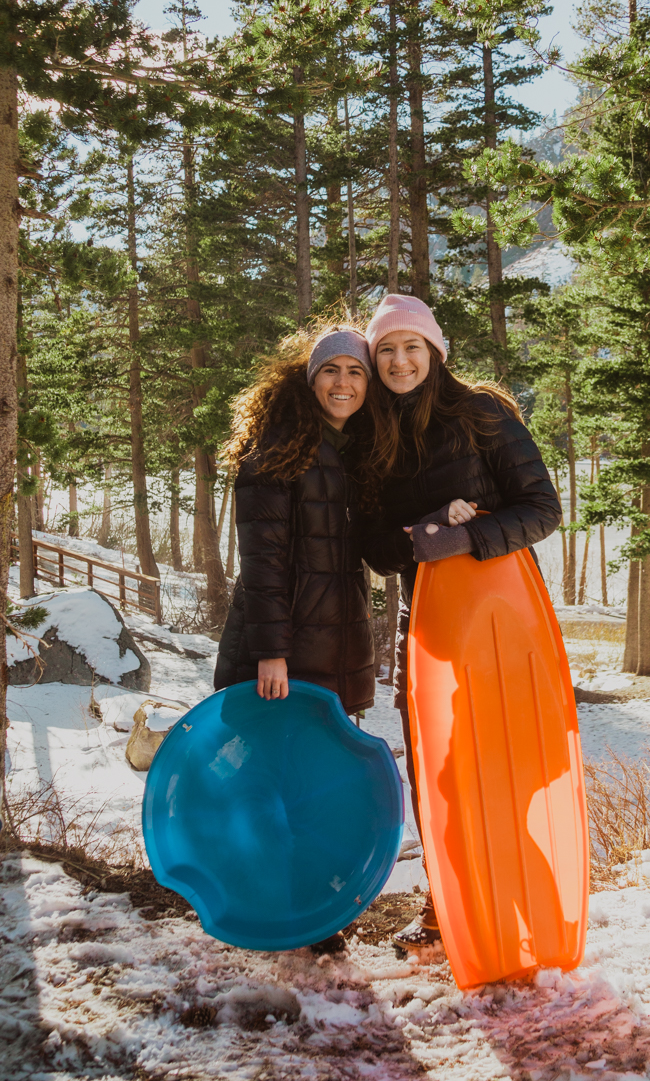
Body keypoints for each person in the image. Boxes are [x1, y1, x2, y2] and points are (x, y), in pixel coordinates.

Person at [362, 294, 562, 947]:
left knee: (498, 769)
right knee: (434, 775)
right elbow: (376, 549)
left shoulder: (481, 412)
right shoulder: (374, 437)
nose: (399, 360)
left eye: (411, 347)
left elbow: (541, 508)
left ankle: (535, 917)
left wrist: (471, 536)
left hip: (500, 620)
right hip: (428, 629)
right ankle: (451, 910)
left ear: (434, 352)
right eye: (386, 349)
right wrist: (417, 537)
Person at [214, 326, 375, 718]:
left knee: (315, 773)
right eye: (330, 370)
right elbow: (262, 563)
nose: (343, 382)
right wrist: (271, 655)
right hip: (279, 660)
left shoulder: (355, 453)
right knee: (268, 772)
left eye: (356, 372)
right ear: (311, 379)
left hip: (333, 651)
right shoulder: (276, 450)